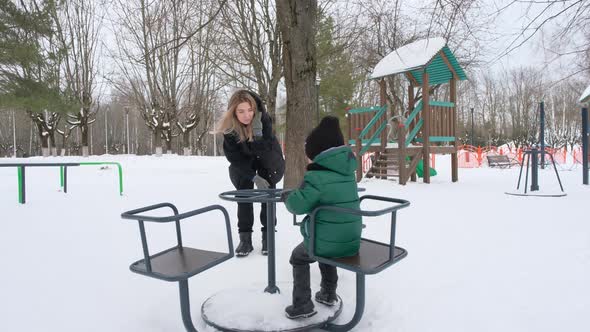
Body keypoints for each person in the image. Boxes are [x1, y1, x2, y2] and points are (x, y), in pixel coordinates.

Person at [281, 116, 361, 319]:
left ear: (317, 153)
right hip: (350, 239)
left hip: (327, 240)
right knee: (326, 247)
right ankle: (328, 293)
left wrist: (289, 196)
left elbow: (298, 206)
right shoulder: (347, 173)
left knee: (299, 257)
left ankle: (302, 305)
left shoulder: (316, 177)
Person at [218, 89, 285, 257]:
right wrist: (252, 176)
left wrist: (258, 134)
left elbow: (267, 151)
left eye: (250, 110)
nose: (247, 115)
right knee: (244, 195)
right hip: (244, 161)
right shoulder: (230, 129)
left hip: (267, 158)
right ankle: (245, 239)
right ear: (234, 112)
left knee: (267, 196)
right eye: (241, 111)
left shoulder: (263, 120)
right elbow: (235, 159)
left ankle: (268, 238)